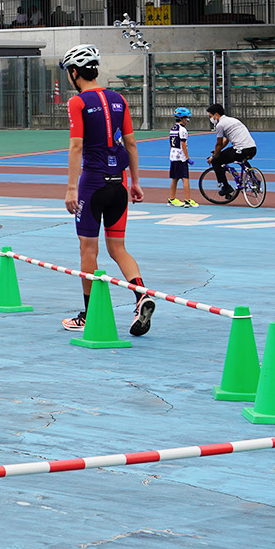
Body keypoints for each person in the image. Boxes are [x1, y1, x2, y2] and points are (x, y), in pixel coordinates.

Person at [60, 44, 154, 337]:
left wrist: (71, 189)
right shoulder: (119, 99)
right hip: (120, 183)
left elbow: (76, 146)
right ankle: (141, 295)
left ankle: (89, 314)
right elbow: (132, 144)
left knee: (88, 249)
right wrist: (135, 182)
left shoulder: (77, 102)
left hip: (93, 183)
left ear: (74, 73)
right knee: (118, 248)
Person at [204, 103, 258, 200]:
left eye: (210, 116)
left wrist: (214, 156)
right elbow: (226, 140)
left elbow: (219, 143)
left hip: (241, 149)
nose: (211, 119)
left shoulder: (220, 125)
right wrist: (218, 152)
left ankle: (226, 187)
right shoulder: (233, 120)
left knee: (216, 161)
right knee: (241, 158)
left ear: (216, 115)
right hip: (252, 148)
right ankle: (254, 179)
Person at [165, 107, 196, 207]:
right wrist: (187, 158)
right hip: (181, 157)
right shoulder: (183, 130)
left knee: (175, 178)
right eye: (187, 119)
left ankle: (172, 198)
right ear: (182, 119)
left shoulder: (173, 128)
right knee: (185, 178)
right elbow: (183, 145)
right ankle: (187, 200)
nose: (187, 121)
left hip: (173, 156)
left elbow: (171, 143)